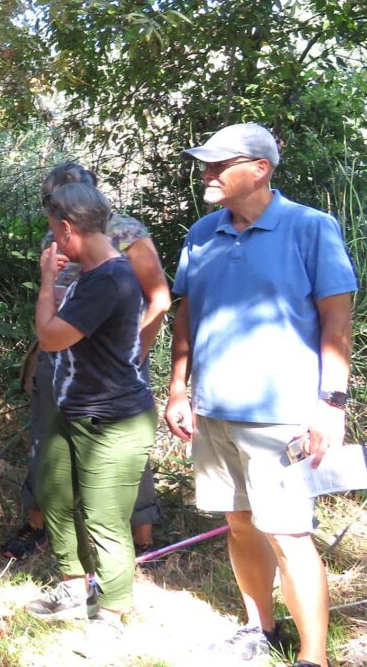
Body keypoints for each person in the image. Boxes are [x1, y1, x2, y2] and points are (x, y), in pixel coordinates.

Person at [166, 123, 355, 667]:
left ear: (260, 169)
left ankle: (313, 657)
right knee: (240, 522)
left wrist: (331, 403)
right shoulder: (202, 232)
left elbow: (335, 321)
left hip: (283, 418)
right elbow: (188, 311)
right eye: (205, 163)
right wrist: (179, 388)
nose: (207, 172)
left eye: (219, 164)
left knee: (289, 534)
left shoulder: (309, 228)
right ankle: (260, 629)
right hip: (215, 411)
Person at [2, 162, 169, 559]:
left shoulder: (125, 232)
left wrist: (133, 353)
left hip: (113, 365)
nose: (61, 210)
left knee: (124, 450)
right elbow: (56, 300)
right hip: (59, 356)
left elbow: (159, 298)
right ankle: (39, 526)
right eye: (54, 203)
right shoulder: (55, 235)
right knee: (46, 437)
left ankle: (142, 537)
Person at [23, 182, 158, 643]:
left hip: (114, 420)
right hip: (74, 409)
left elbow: (51, 337)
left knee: (104, 520)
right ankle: (73, 588)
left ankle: (112, 615)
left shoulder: (110, 278)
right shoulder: (94, 274)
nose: (53, 242)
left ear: (66, 228)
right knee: (54, 493)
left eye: (53, 233)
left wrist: (45, 283)